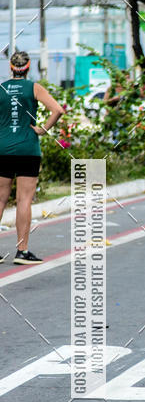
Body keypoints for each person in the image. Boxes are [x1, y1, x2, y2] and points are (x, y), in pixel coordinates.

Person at [0, 51, 64, 264]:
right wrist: (43, 129)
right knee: (24, 200)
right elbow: (57, 110)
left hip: (3, 149)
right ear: (28, 68)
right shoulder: (34, 88)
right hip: (27, 149)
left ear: (11, 67)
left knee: (0, 199)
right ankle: (22, 251)